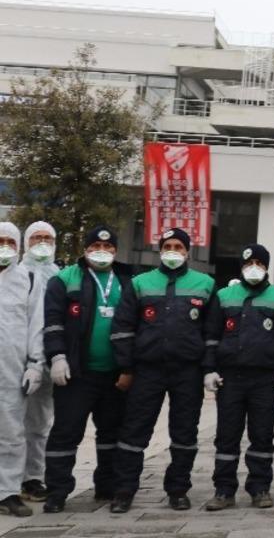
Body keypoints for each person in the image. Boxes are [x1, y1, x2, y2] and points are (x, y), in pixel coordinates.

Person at [109, 228, 215, 513]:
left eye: (178, 245)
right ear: (159, 249)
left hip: (187, 371)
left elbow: (211, 332)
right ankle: (123, 491)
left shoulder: (205, 283)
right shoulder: (141, 283)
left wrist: (208, 369)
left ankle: (178, 489)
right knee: (134, 431)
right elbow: (123, 327)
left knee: (184, 433)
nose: (172, 250)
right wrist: (126, 367)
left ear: (187, 250)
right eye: (167, 245)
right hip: (147, 370)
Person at [41, 226, 133, 513]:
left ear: (116, 251)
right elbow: (53, 321)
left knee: (112, 434)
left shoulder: (127, 280)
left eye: (107, 247)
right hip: (76, 373)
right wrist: (57, 356)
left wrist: (130, 367)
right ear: (85, 249)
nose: (101, 251)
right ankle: (57, 491)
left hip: (115, 374)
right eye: (95, 246)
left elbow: (136, 326)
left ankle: (106, 486)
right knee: (66, 433)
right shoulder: (65, 279)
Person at [202, 243, 274, 511]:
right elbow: (211, 336)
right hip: (230, 378)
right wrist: (209, 369)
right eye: (248, 263)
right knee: (226, 436)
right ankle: (223, 490)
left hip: (264, 380)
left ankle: (260, 488)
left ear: (266, 267)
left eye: (259, 263)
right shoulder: (224, 296)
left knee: (262, 435)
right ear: (241, 267)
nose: (253, 268)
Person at [0, 222, 45, 517]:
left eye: (10, 242)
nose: (5, 246)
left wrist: (35, 364)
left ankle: (7, 492)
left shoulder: (28, 278)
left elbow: (36, 326)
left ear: (19, 247)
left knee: (12, 432)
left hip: (11, 371)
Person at [18, 221, 58, 503]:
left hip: (50, 360)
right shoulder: (18, 274)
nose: (42, 243)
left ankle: (34, 477)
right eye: (36, 238)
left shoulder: (59, 275)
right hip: (19, 361)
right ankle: (11, 478)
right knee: (13, 423)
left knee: (41, 423)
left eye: (47, 238)